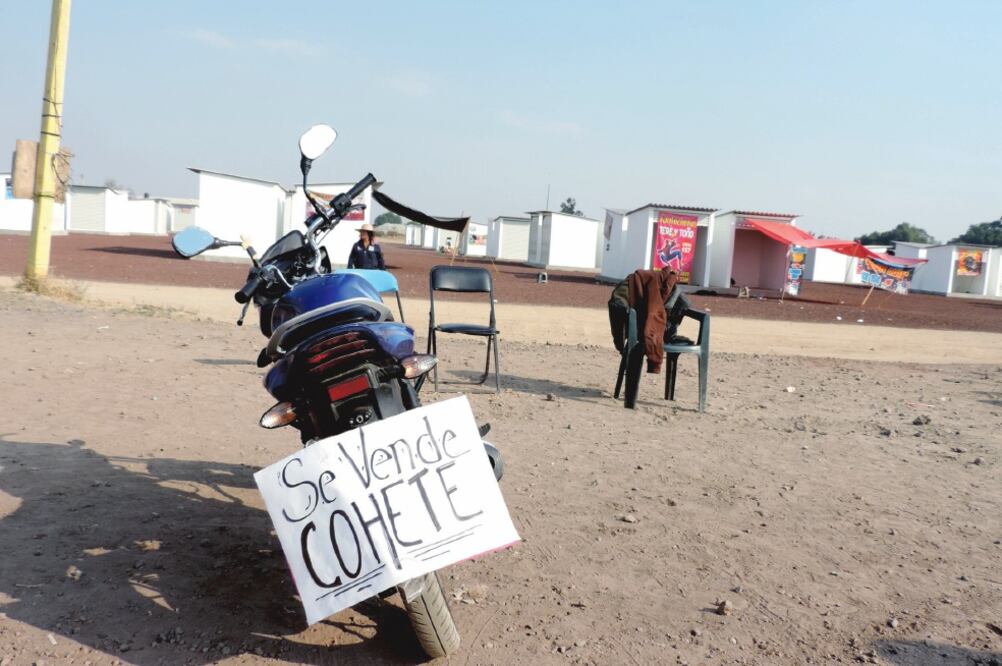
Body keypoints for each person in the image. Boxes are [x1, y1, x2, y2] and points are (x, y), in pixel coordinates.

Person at [608, 266, 688, 373]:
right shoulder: (672, 288)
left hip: (640, 329)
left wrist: (621, 344)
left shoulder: (673, 289)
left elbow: (616, 306)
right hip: (650, 330)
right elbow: (686, 306)